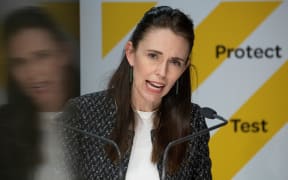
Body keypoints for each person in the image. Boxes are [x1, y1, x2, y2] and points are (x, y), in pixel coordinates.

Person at [61, 5, 211, 180]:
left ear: (184, 68)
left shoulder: (194, 123)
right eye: (153, 56)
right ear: (131, 53)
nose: (162, 72)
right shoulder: (81, 114)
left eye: (175, 62)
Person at [0, 6, 79, 180]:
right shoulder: (4, 129)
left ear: (64, 54)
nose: (32, 73)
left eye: (42, 56)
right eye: (20, 62)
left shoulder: (101, 115)